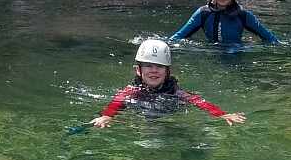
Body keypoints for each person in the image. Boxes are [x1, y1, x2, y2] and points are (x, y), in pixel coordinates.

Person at [91, 39, 246, 127]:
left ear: (167, 72)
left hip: (170, 117)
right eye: (148, 66)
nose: (154, 71)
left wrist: (221, 114)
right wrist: (106, 116)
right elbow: (115, 104)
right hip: (142, 118)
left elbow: (198, 101)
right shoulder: (131, 91)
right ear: (138, 70)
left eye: (159, 67)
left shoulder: (175, 91)